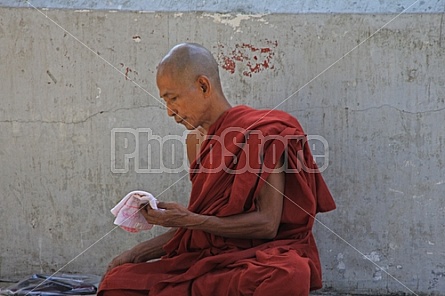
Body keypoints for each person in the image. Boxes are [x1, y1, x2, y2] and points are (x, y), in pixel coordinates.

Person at [98, 43, 336, 296]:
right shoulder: (194, 142)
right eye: (165, 101)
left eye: (173, 98)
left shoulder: (262, 133)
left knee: (289, 273)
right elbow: (202, 225)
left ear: (203, 86)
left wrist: (191, 220)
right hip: (208, 261)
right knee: (117, 283)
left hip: (259, 258)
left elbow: (267, 224)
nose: (169, 111)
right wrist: (137, 253)